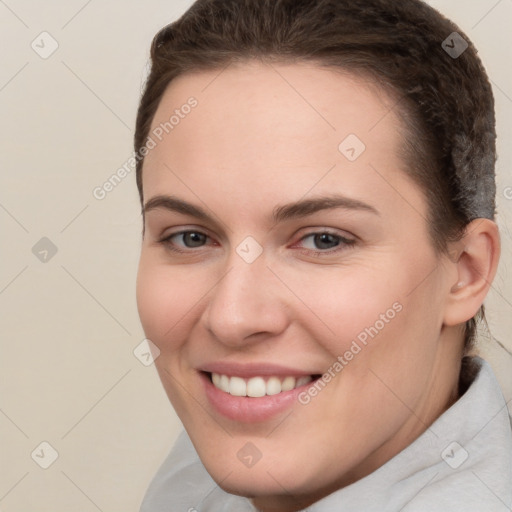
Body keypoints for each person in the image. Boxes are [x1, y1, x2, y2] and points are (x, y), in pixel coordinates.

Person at [134, 0, 512, 510]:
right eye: (191, 238)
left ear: (466, 272)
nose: (232, 318)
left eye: (323, 240)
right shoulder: (224, 448)